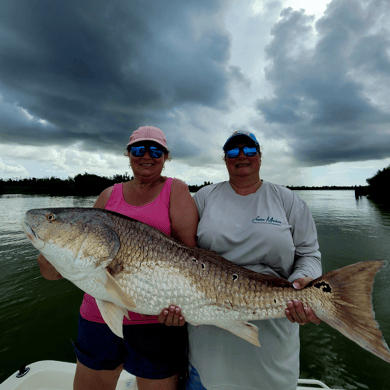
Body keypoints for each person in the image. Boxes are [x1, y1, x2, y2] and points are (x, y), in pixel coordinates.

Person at [37, 125, 199, 390]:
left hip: (155, 318)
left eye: (155, 149)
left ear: (166, 156)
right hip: (97, 315)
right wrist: (50, 255)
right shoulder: (108, 195)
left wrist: (185, 305)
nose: (147, 155)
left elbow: (189, 259)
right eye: (139, 149)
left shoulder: (176, 190)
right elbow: (52, 272)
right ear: (128, 154)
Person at [184, 130, 322, 390]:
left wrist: (303, 282)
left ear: (260, 157)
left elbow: (309, 254)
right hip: (208, 346)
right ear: (225, 159)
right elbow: (182, 254)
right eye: (233, 151)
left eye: (248, 150)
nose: (241, 156)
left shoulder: (288, 200)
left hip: (274, 338)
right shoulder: (203, 198)